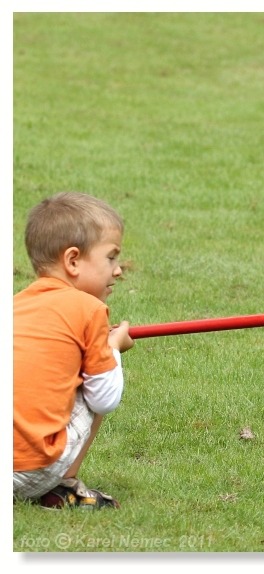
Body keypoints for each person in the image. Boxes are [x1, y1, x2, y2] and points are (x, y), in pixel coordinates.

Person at [13, 191, 134, 509]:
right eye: (111, 257)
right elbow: (105, 399)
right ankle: (64, 486)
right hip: (29, 471)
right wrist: (113, 347)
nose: (118, 270)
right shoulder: (89, 309)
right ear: (73, 261)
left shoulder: (14, 307)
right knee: (96, 379)